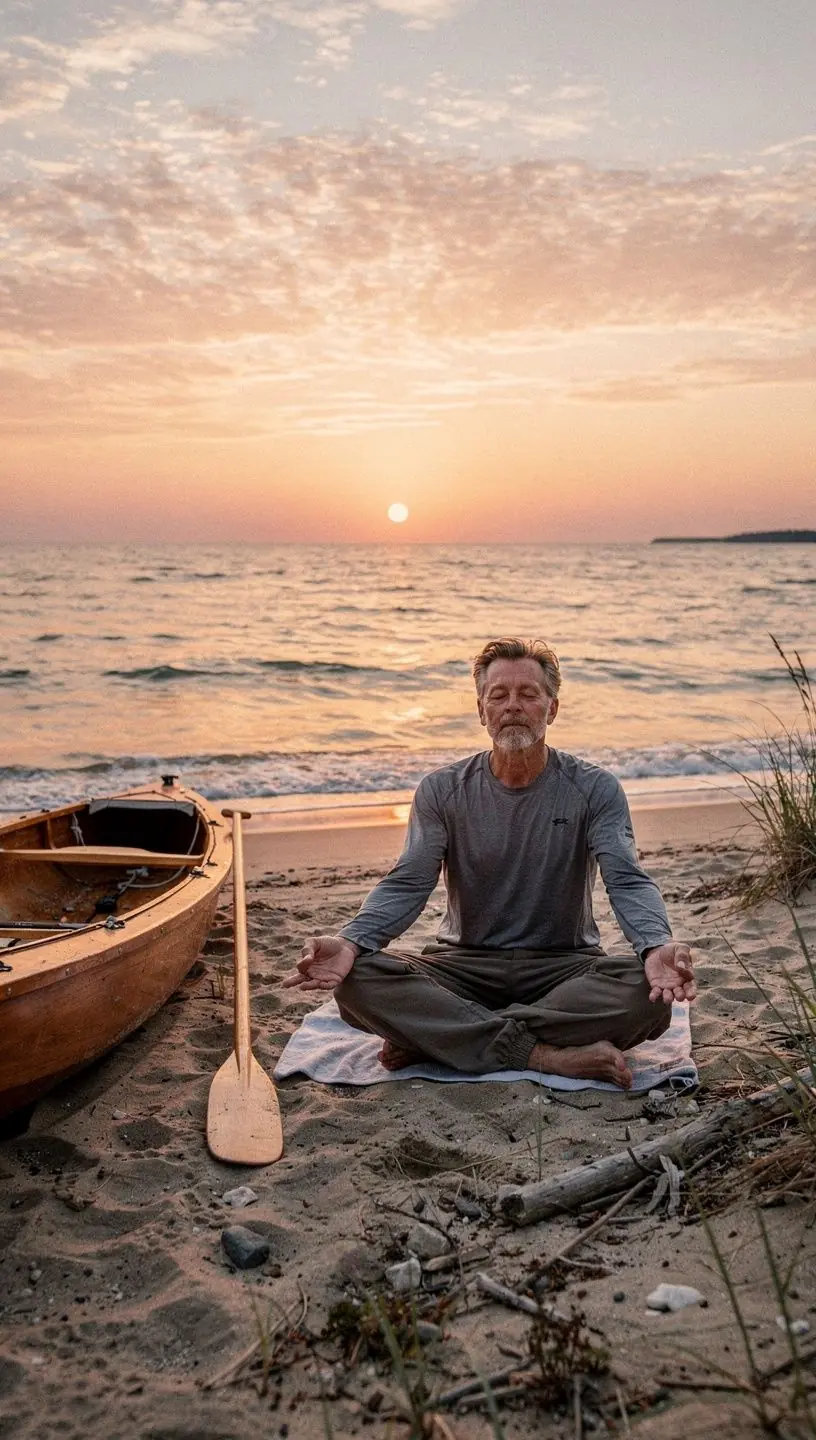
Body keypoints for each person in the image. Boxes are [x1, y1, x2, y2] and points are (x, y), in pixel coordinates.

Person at [283, 637, 696, 1089]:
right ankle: (544, 1056)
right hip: (461, 965)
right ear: (481, 710)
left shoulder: (594, 789)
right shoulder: (442, 791)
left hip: (564, 967)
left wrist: (656, 945)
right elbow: (408, 882)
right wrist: (350, 941)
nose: (512, 706)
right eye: (498, 695)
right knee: (358, 979)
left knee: (649, 996)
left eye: (528, 694)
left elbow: (627, 880)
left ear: (552, 708)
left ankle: (441, 1037)